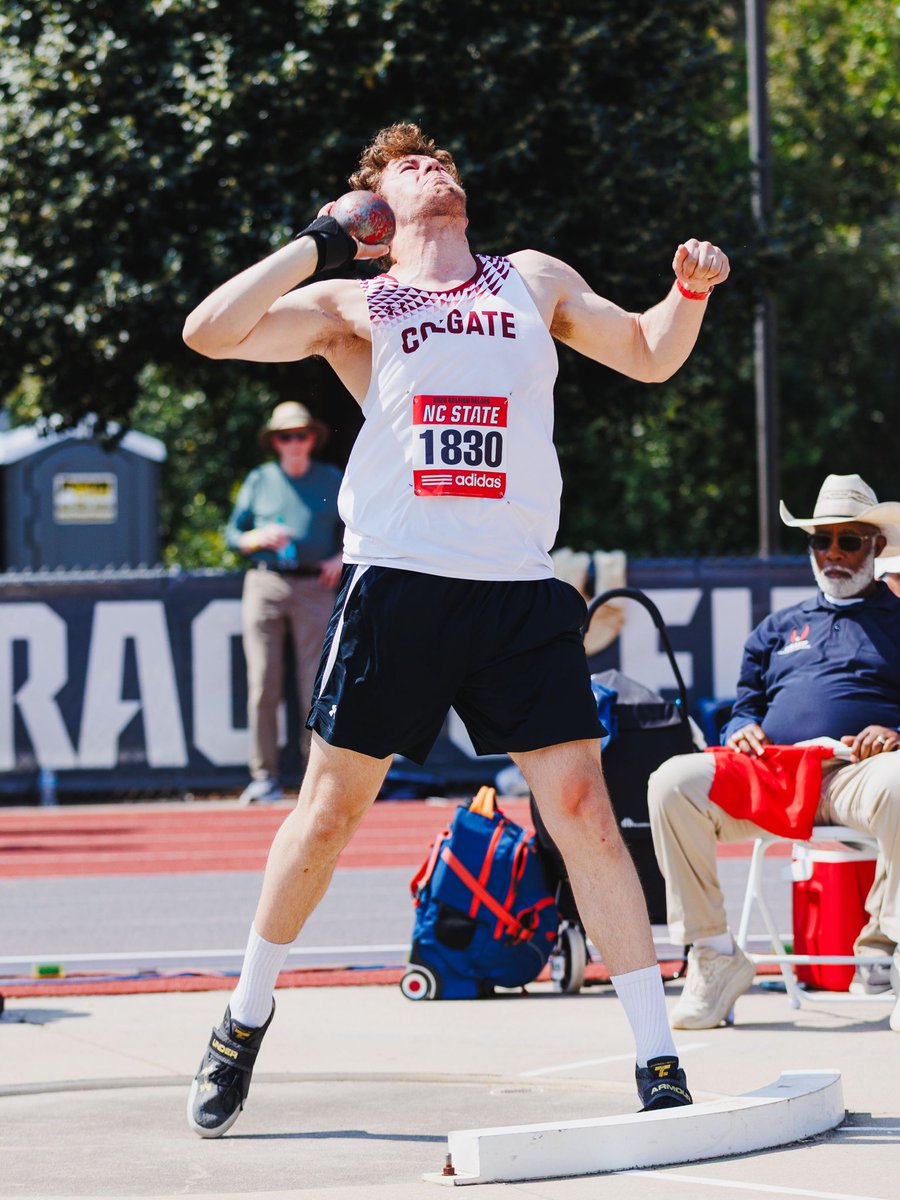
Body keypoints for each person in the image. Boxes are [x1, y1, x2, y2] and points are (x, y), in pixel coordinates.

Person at [182, 122, 731, 1136]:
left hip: (516, 586)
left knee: (582, 809)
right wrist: (319, 239)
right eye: (410, 164)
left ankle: (657, 1057)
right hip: (401, 583)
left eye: (442, 160)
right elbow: (208, 332)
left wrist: (688, 292)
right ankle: (243, 1019)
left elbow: (651, 355)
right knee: (330, 812)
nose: (437, 167)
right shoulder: (360, 300)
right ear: (379, 208)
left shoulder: (531, 278)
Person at [648, 472, 900, 1030]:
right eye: (820, 540)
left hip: (859, 772)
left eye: (848, 540)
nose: (832, 553)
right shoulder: (777, 628)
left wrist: (895, 730)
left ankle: (890, 946)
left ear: (877, 546)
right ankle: (714, 956)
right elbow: (745, 704)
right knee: (670, 781)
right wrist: (743, 727)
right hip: (775, 771)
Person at [226, 401, 343, 803]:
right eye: (285, 436)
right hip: (266, 582)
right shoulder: (259, 479)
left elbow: (363, 528)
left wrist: (340, 558)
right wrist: (253, 538)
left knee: (315, 684)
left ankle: (315, 776)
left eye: (300, 435)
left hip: (315, 585)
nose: (293, 443)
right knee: (263, 683)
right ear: (275, 442)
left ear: (312, 439)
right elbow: (232, 533)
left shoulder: (331, 478)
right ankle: (264, 775)